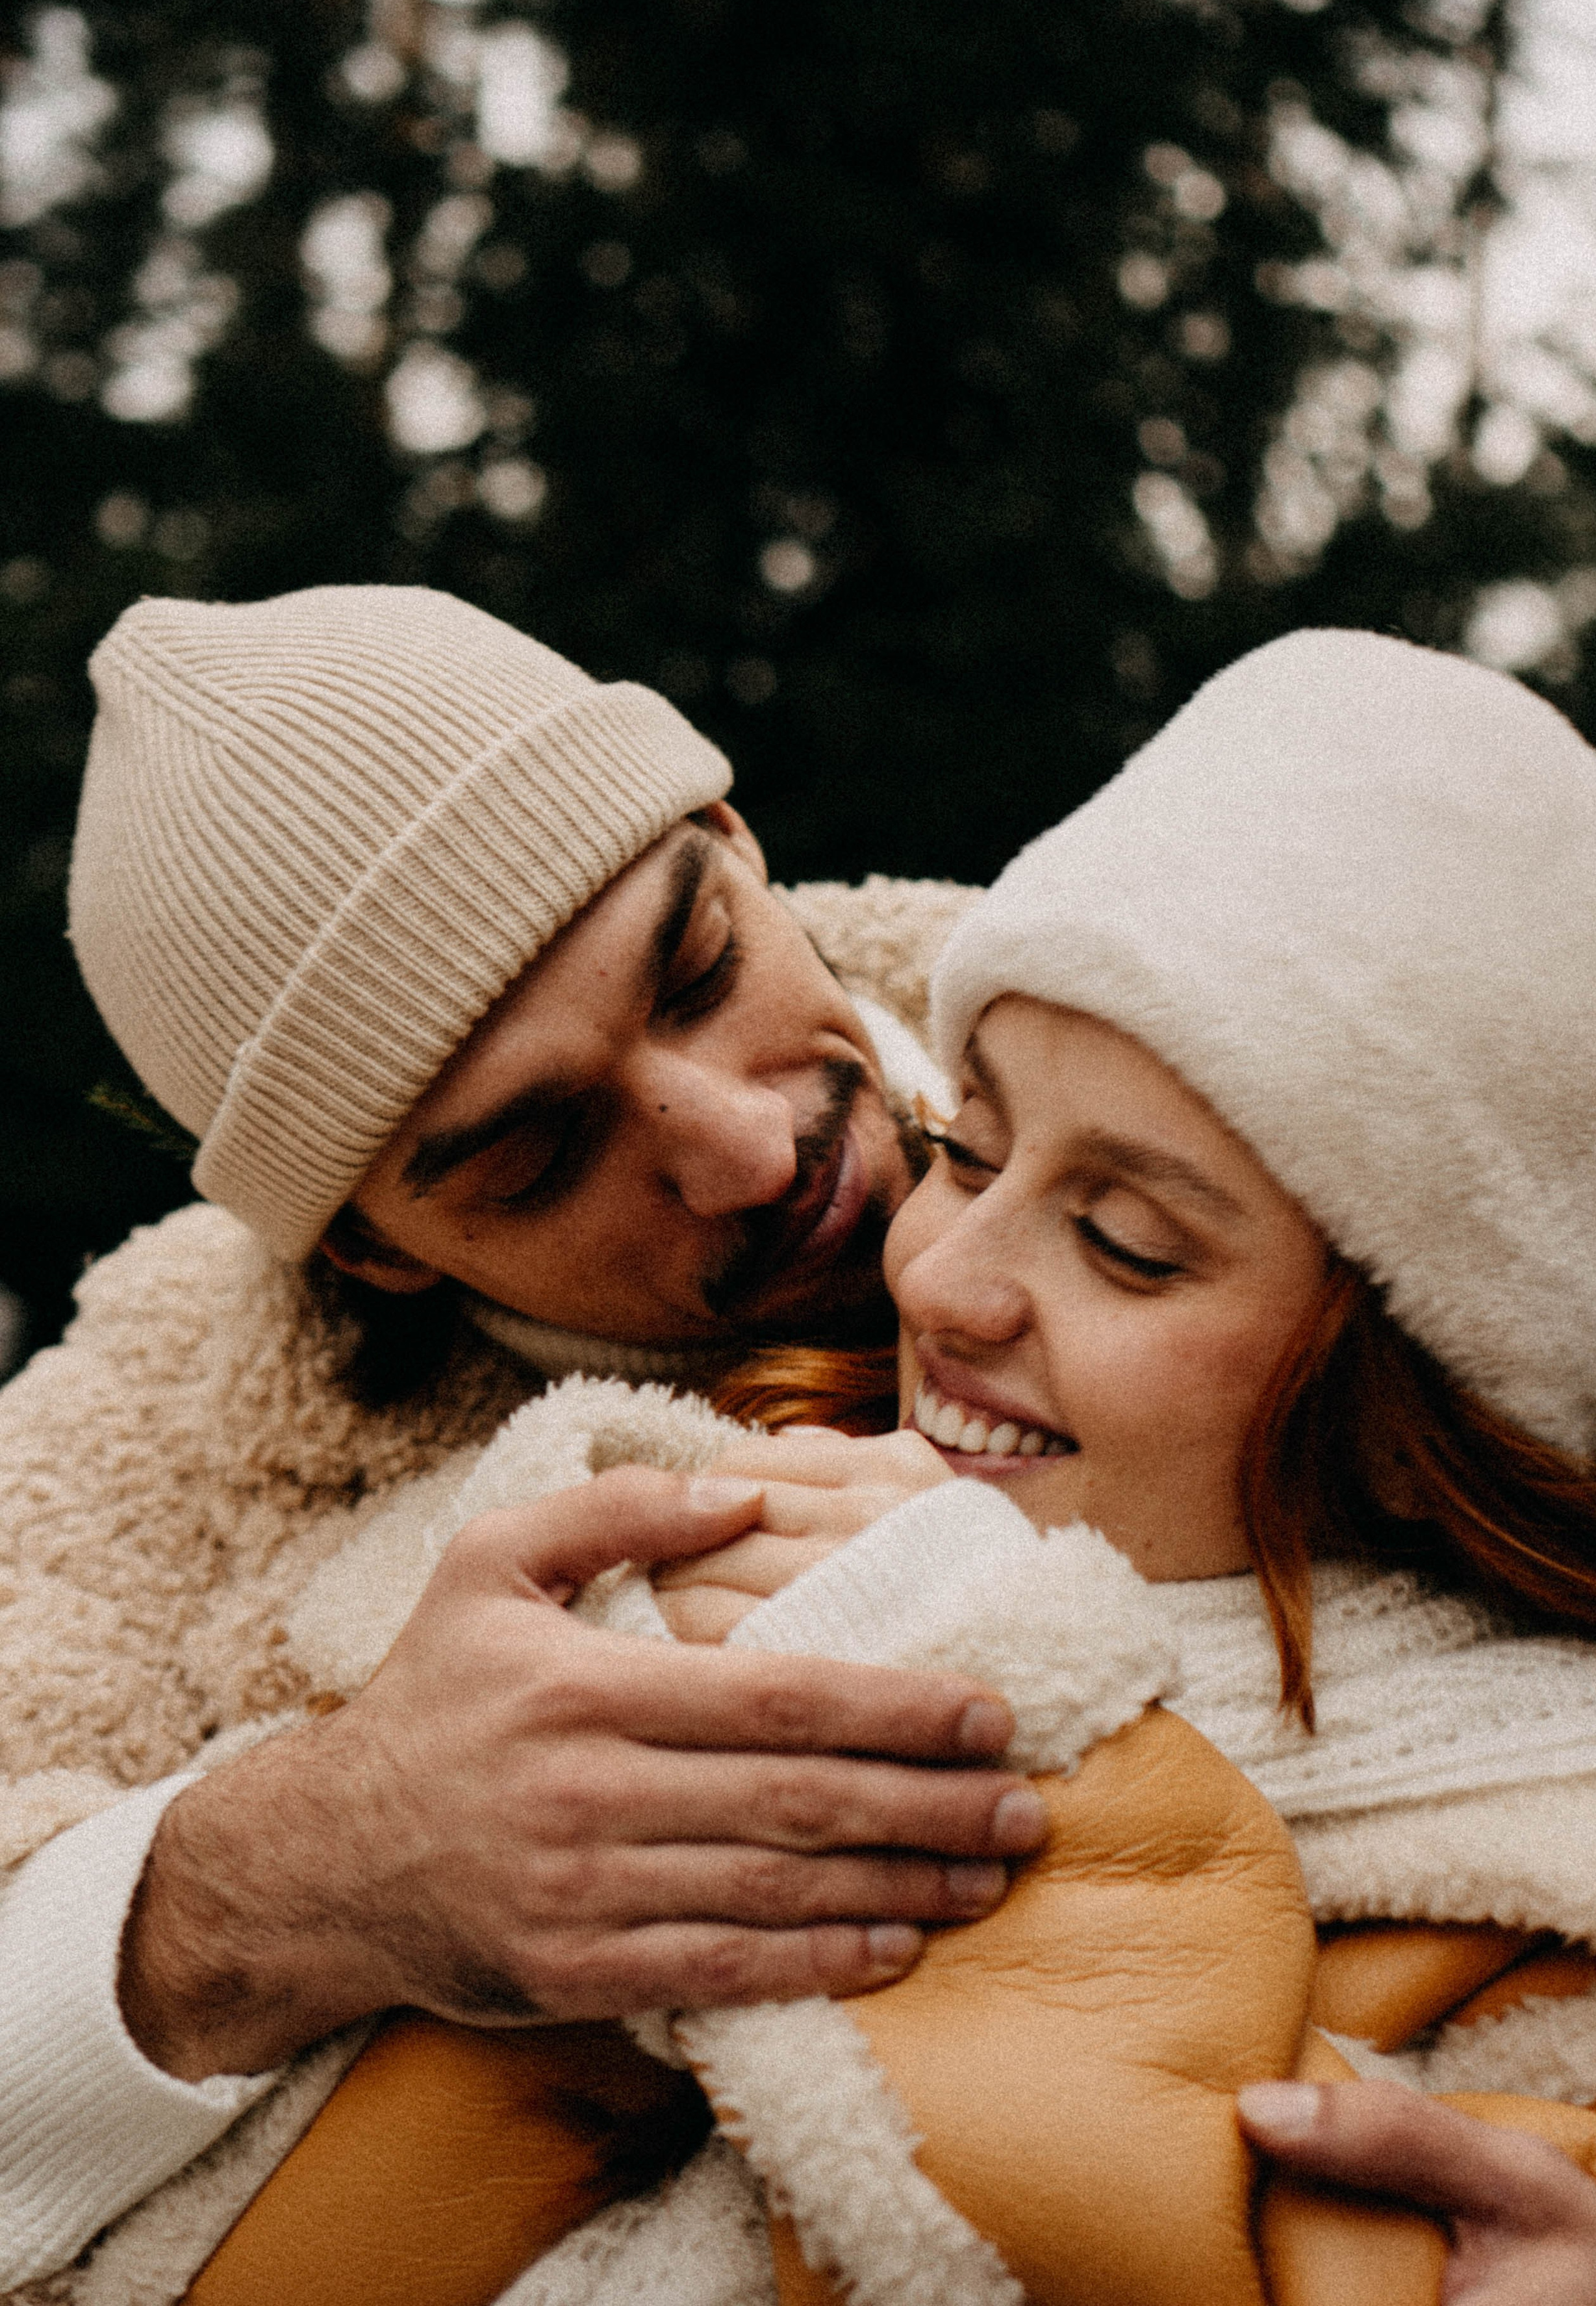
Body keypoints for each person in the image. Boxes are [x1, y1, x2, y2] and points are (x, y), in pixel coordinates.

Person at [200, 623, 1596, 2303]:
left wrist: (987, 1679)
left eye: (1124, 1241)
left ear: (1429, 1393)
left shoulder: (1588, 1863)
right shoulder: (597, 1568)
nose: (935, 1270)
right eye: (969, 1146)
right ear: (381, 1249)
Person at [0, 584, 1045, 2292]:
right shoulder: (145, 1445)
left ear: (728, 828)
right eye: (538, 1156)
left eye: (700, 968)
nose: (750, 1151)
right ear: (373, 1246)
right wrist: (309, 1869)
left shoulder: (1207, 1040)